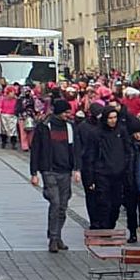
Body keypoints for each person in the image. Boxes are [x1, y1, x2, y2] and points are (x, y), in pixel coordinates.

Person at [29, 99, 82, 253]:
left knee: (63, 206)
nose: (69, 115)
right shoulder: (44, 127)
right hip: (49, 170)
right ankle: (53, 238)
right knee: (55, 203)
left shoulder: (70, 127)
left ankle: (57, 235)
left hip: (65, 171)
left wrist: (77, 169)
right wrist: (34, 173)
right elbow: (36, 149)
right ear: (59, 112)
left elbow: (75, 149)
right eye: (66, 112)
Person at [87, 107, 134, 231]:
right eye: (110, 118)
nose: (113, 121)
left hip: (119, 173)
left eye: (115, 117)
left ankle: (110, 226)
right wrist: (91, 177)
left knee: (116, 204)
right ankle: (104, 228)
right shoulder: (97, 133)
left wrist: (126, 167)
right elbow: (91, 155)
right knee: (104, 203)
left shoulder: (121, 131)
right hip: (102, 173)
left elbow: (128, 150)